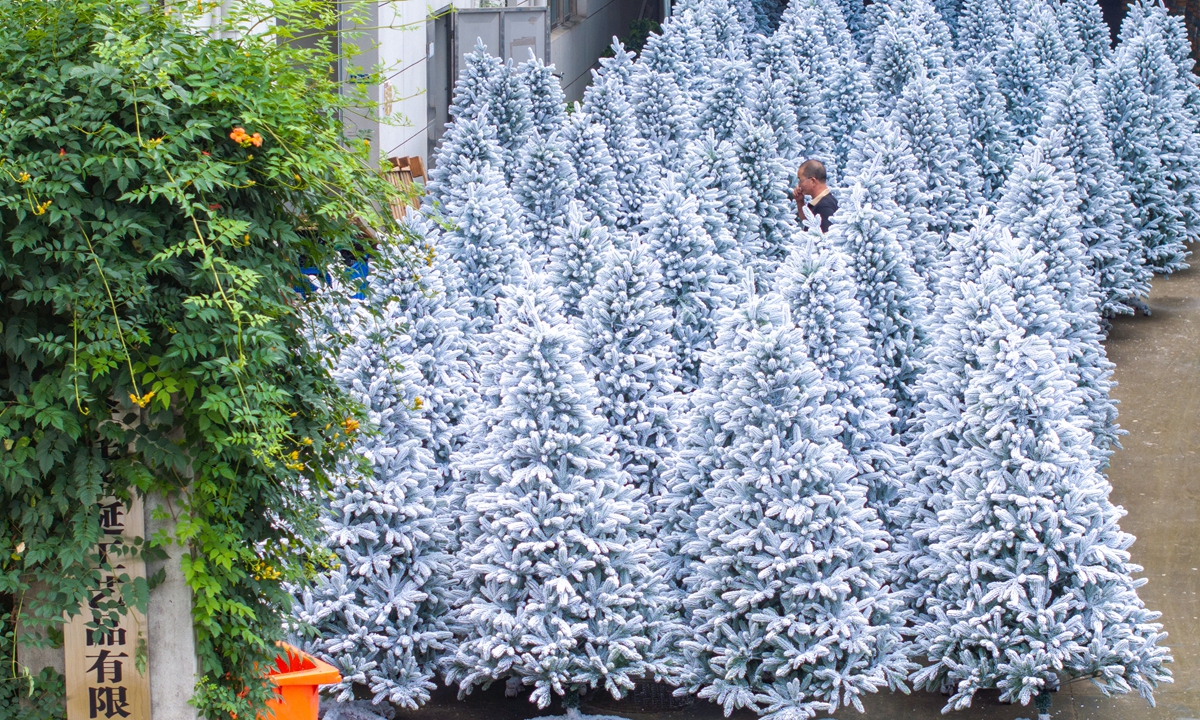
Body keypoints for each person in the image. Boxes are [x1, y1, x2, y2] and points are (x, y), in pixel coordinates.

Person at [793, 159, 838, 233]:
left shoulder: (824, 207)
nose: (799, 185)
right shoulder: (822, 202)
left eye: (801, 180)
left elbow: (824, 238)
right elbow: (807, 222)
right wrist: (800, 202)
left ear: (813, 181)